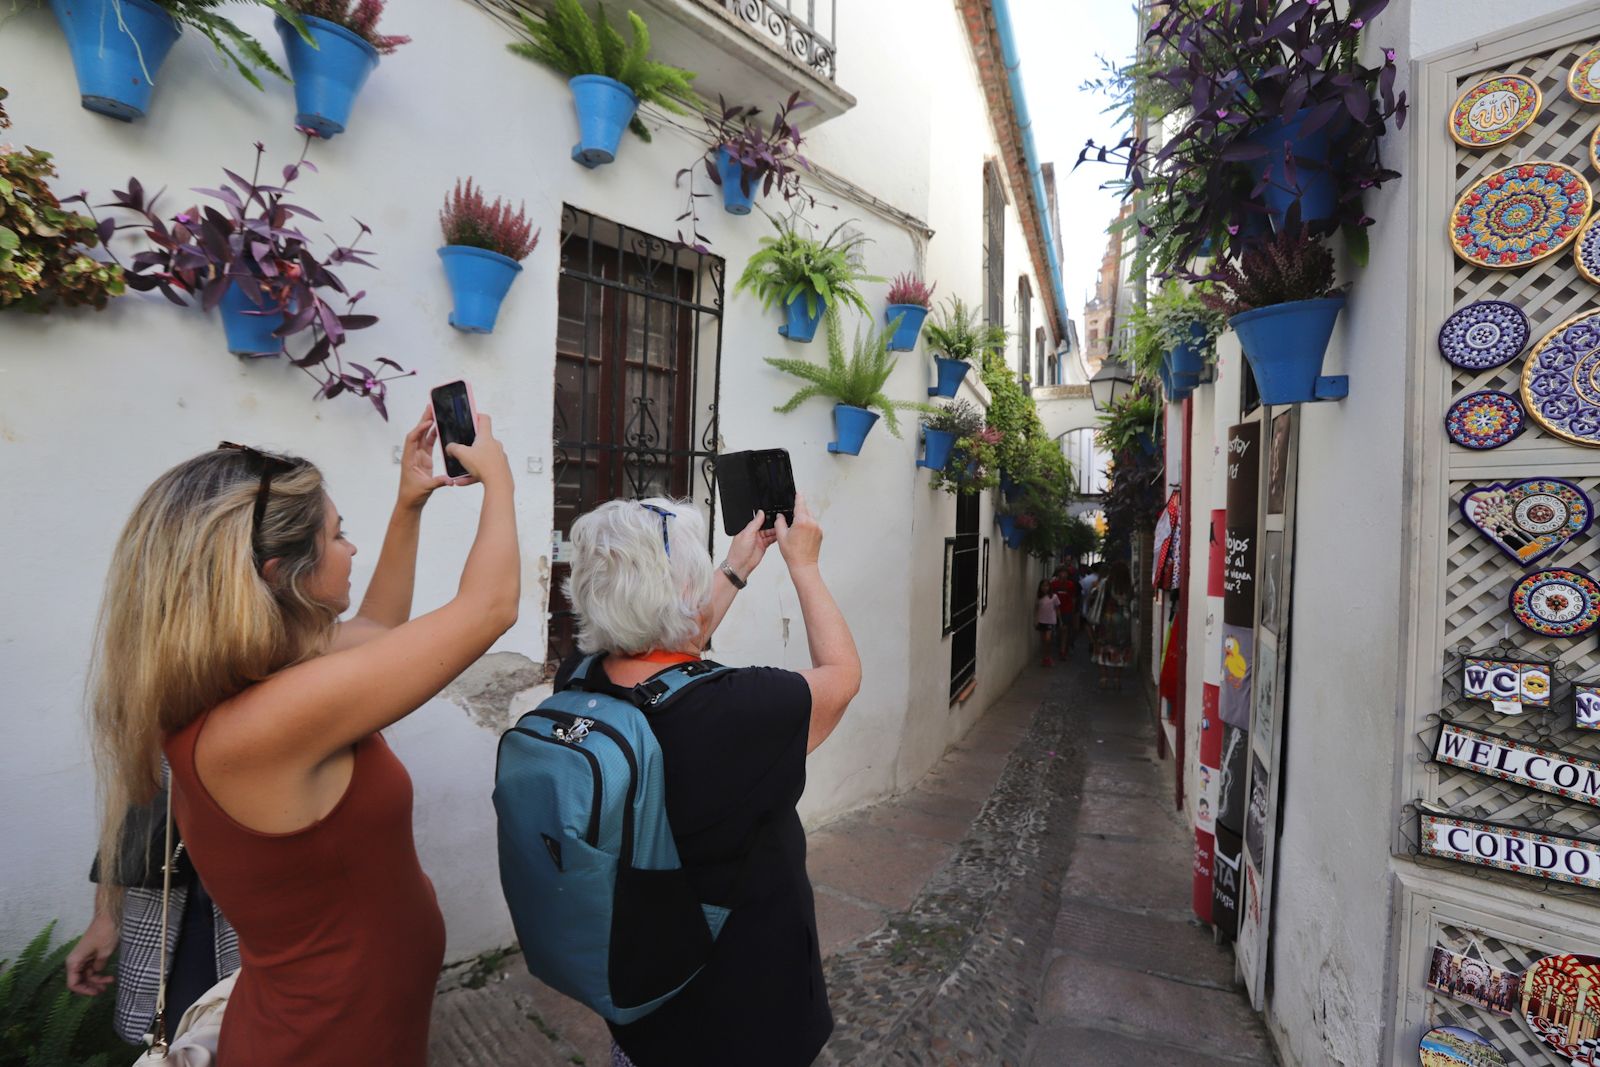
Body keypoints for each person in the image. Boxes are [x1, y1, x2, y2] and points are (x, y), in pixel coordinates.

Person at [86, 408, 519, 1066]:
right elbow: (490, 606)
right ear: (276, 571)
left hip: (351, 1020)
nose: (352, 548)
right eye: (338, 534)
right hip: (326, 1040)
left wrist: (409, 504)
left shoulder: (252, 692)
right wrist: (501, 481)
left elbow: (376, 629)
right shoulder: (263, 723)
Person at [553, 493, 860, 1067]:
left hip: (640, 995)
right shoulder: (736, 710)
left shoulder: (580, 681)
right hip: (741, 1012)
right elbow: (841, 677)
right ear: (683, 589)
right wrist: (805, 567)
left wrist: (735, 569)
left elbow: (669, 642)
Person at [67, 790, 239, 1046]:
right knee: (187, 1040)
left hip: (279, 882)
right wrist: (107, 914)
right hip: (178, 893)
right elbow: (136, 785)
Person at [1091, 562, 1134, 689]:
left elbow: (1099, 599)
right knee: (1121, 648)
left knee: (1103, 646)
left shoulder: (1106, 583)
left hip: (1107, 618)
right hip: (1124, 620)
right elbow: (1131, 601)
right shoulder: (1128, 586)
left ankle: (1104, 677)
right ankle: (1117, 678)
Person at [1050, 565, 1078, 657]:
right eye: (1061, 573)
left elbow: (1073, 598)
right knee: (1058, 629)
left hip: (1067, 609)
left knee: (1065, 629)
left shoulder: (1070, 585)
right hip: (1055, 609)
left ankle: (1062, 651)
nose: (1063, 575)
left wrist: (1073, 610)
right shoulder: (1054, 584)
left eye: (1065, 573)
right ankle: (1061, 645)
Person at [1034, 579, 1058, 667]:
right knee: (1043, 640)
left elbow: (1057, 608)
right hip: (1041, 621)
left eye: (1047, 586)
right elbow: (1036, 609)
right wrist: (1036, 620)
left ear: (1049, 587)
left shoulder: (1054, 597)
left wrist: (1060, 620)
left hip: (1050, 621)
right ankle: (1045, 657)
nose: (1045, 588)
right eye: (1043, 586)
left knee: (1048, 639)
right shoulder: (1039, 597)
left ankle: (1048, 656)